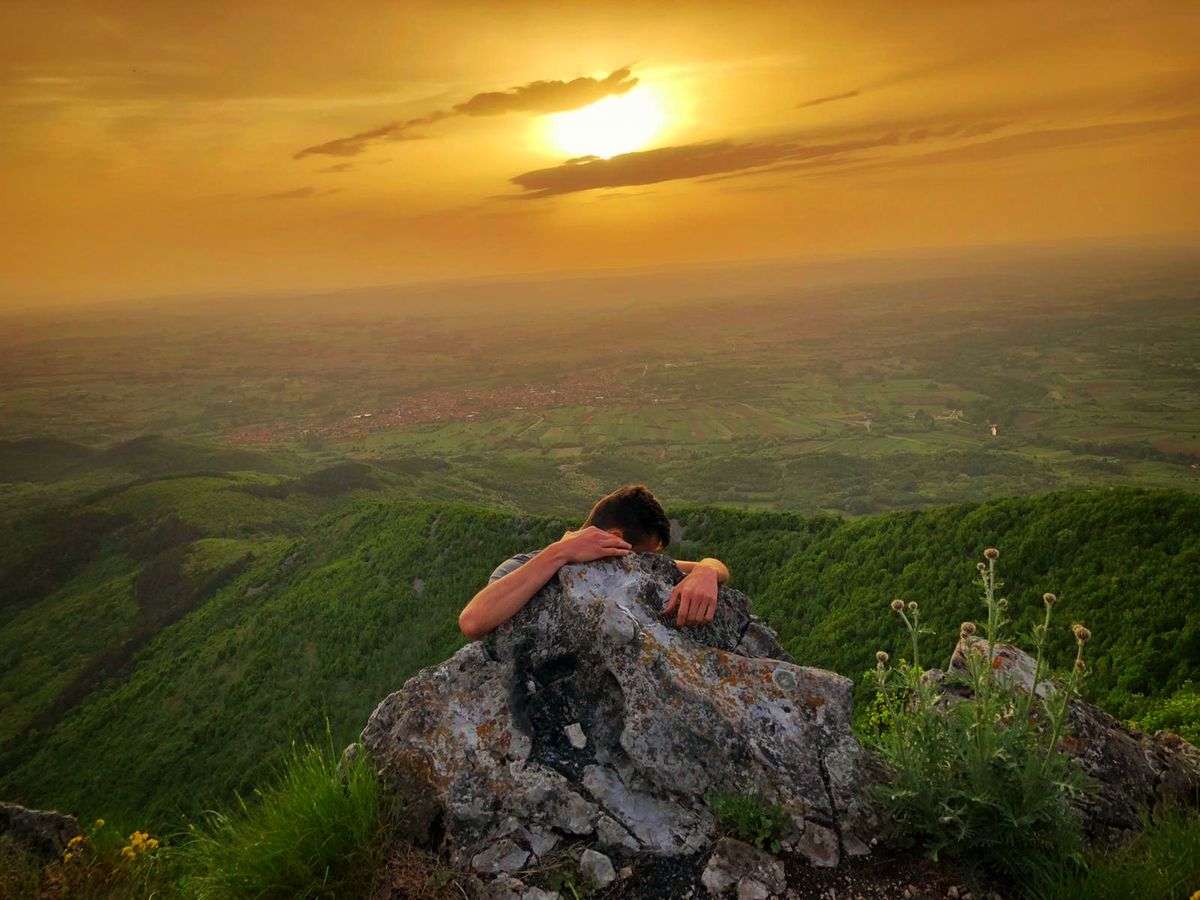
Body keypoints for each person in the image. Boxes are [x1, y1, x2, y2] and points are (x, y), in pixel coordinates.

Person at [458, 484, 730, 640]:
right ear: (614, 538)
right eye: (645, 555)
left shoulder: (623, 562)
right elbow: (473, 621)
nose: (647, 564)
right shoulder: (524, 568)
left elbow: (713, 567)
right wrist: (559, 553)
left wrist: (706, 571)